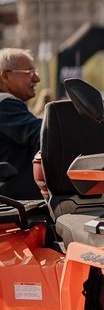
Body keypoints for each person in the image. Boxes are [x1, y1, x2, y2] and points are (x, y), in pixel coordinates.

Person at [0, 48, 43, 200]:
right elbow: (42, 133)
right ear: (5, 76)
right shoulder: (5, 105)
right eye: (29, 72)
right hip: (16, 206)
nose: (37, 78)